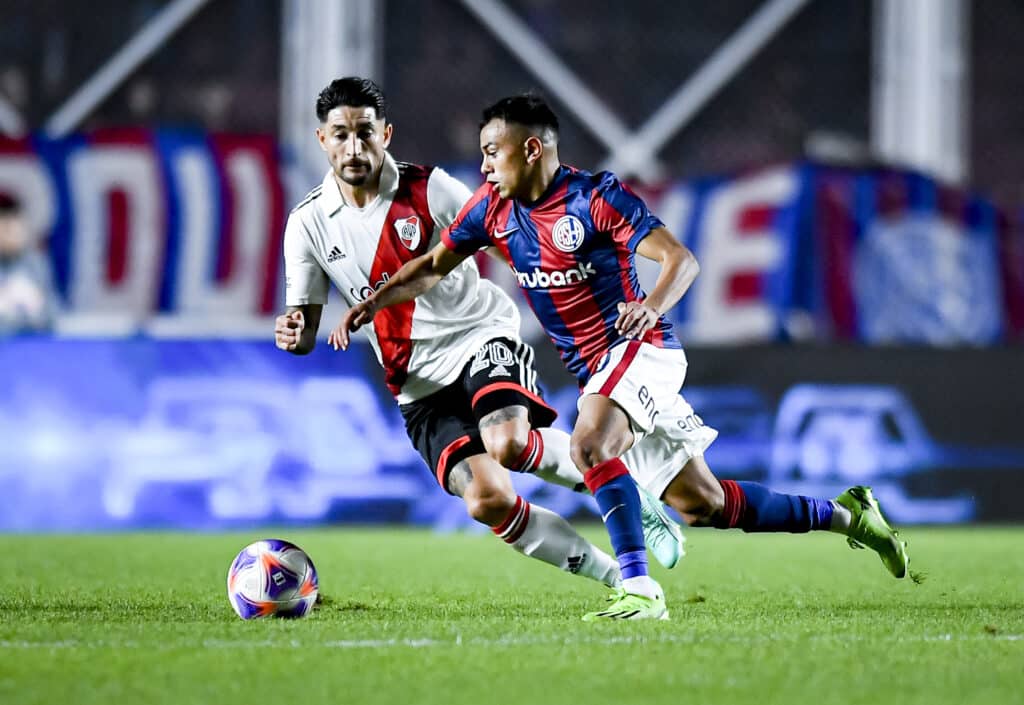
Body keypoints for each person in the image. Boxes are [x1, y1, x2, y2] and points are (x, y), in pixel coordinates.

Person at [334, 93, 910, 622]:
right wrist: (371, 302)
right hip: (599, 372)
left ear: (531, 149)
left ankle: (638, 589)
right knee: (703, 504)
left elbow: (680, 260)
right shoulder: (493, 210)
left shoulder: (595, 198)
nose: (483, 165)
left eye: (493, 151)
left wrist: (653, 307)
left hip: (642, 350)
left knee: (589, 444)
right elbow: (434, 265)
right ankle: (850, 516)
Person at [274, 78, 685, 595]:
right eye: (340, 135)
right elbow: (303, 326)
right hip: (414, 382)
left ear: (387, 134)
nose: (354, 147)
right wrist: (293, 332)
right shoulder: (307, 223)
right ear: (322, 140)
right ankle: (613, 568)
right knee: (487, 500)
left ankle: (622, 500)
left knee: (508, 444)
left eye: (365, 133)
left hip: (478, 336)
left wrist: (570, 277)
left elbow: (508, 231)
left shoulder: (431, 189)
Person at [0, 193, 57, 335]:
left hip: (29, 351)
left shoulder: (36, 264)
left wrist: (36, 306)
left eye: (17, 225)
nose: (12, 233)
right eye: (5, 227)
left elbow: (54, 316)